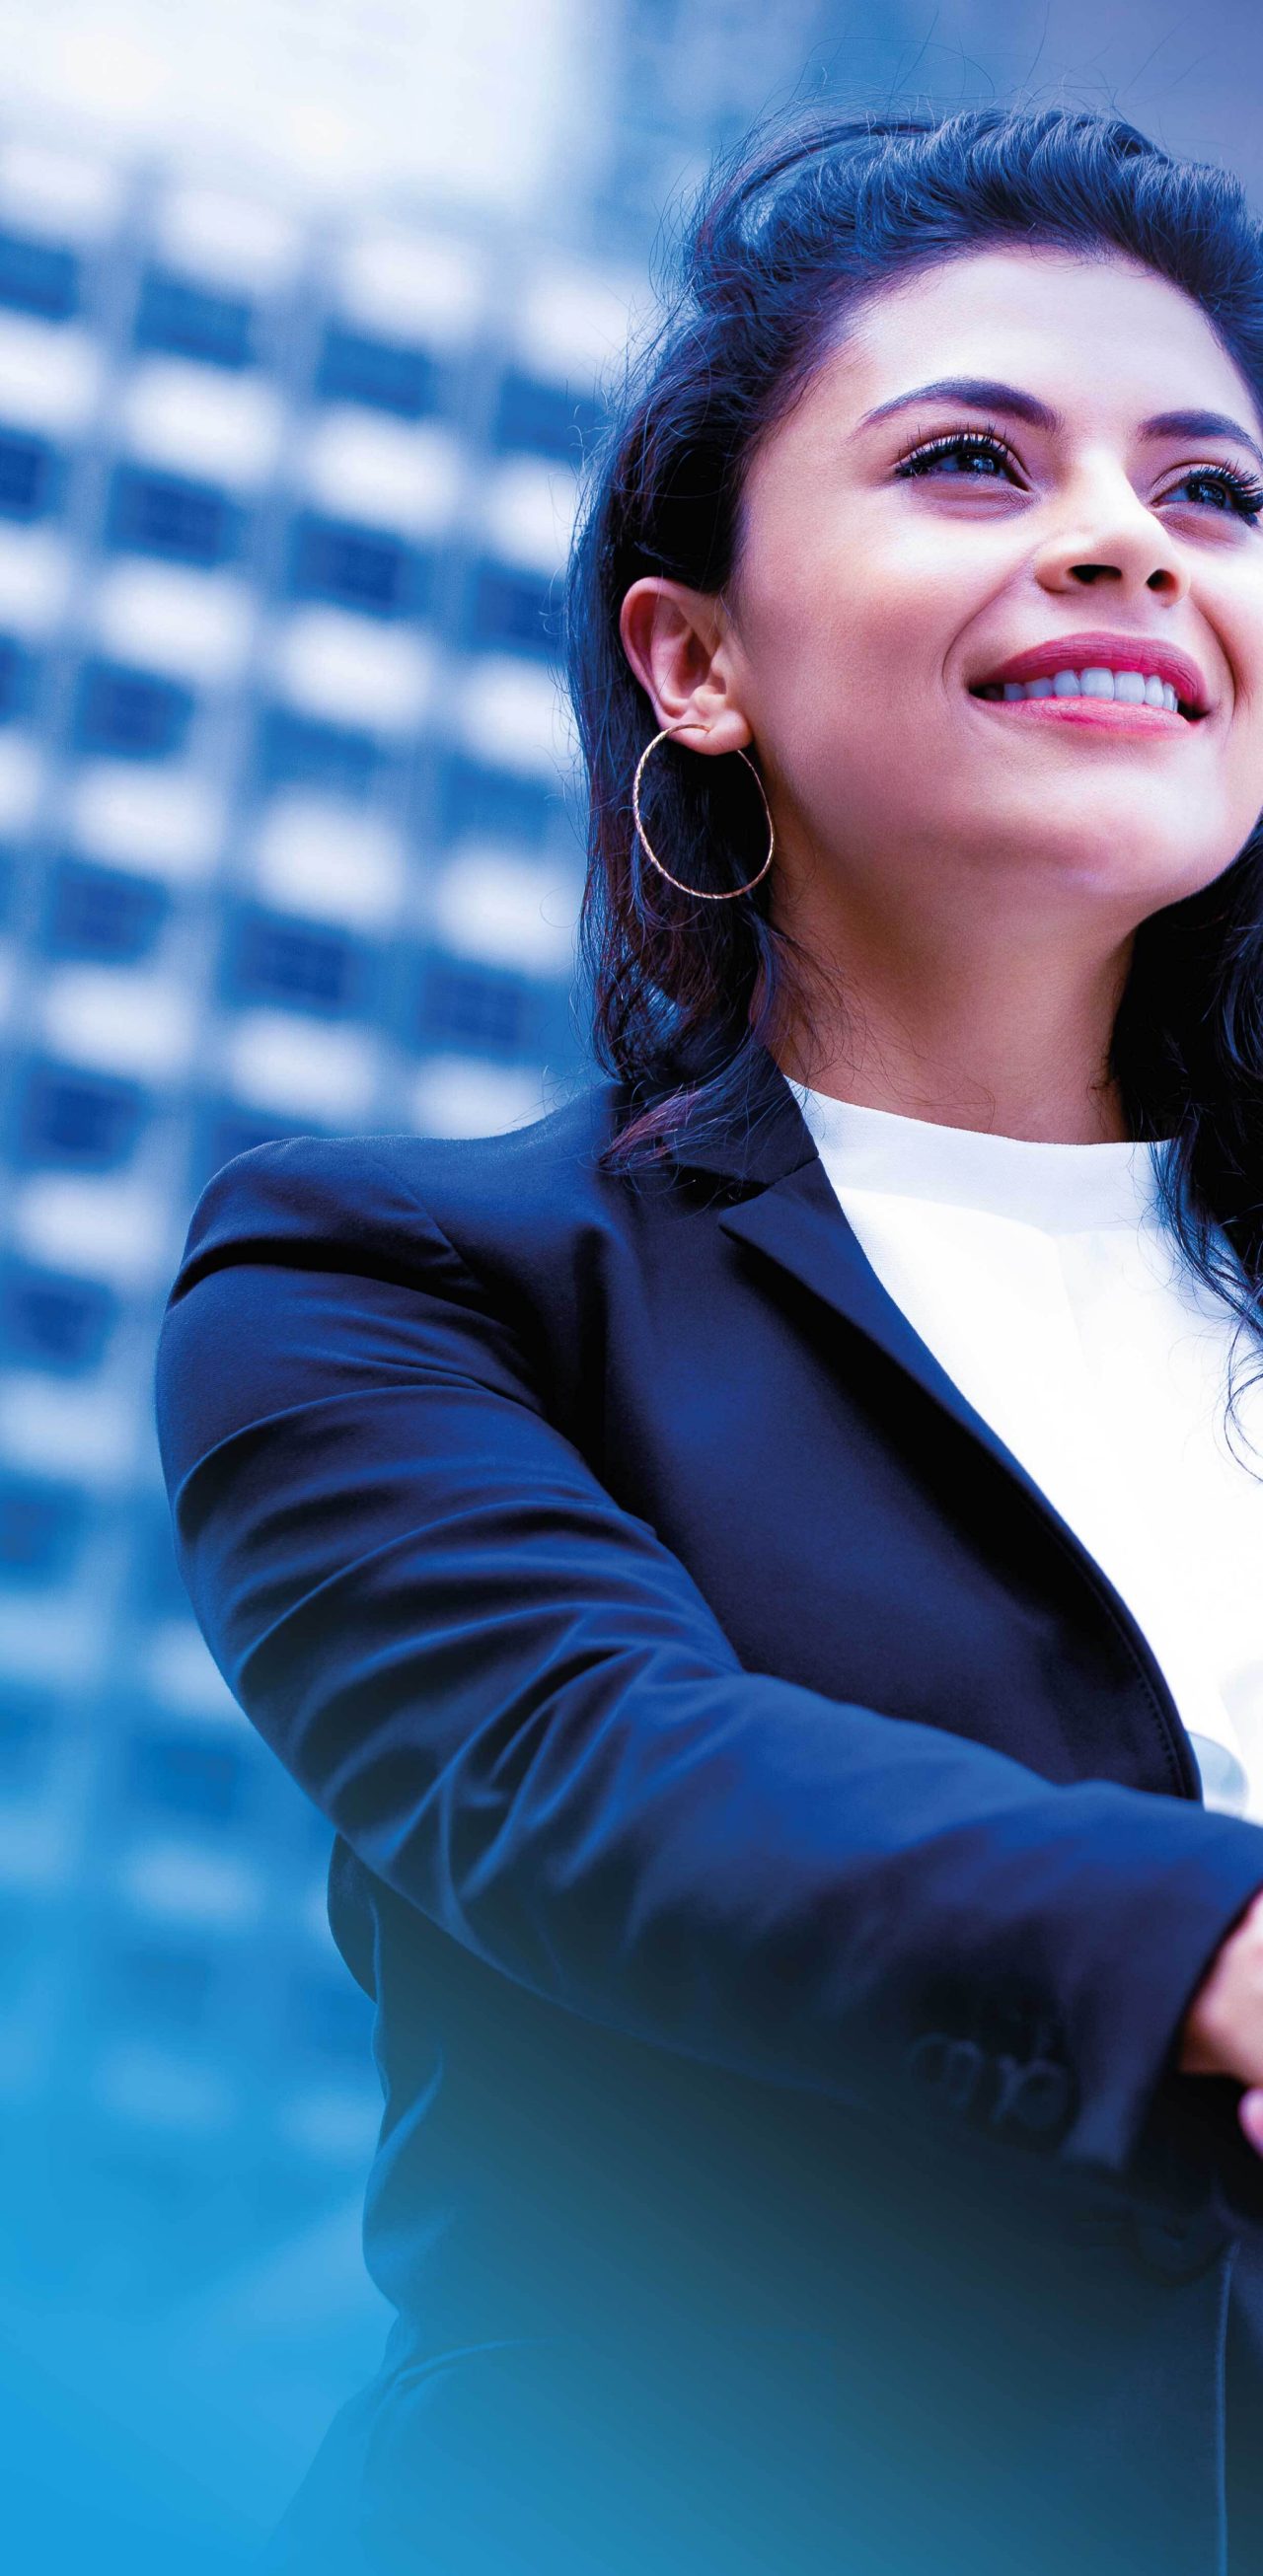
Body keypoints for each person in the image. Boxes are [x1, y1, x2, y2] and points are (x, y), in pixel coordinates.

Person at [155, 102, 1263, 2576]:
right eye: (970, 459)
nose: (1129, 538)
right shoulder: (393, 1280)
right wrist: (1209, 1952)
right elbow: (598, 1776)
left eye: (1215, 493)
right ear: (698, 657)